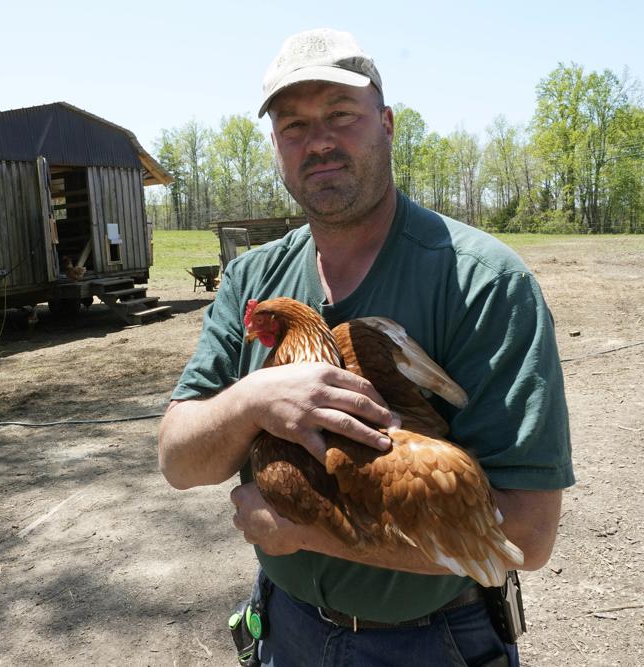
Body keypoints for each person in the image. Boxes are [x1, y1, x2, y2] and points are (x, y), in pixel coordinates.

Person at [157, 28, 573, 667]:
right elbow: (181, 463)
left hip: (434, 642)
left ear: (386, 124)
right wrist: (253, 400)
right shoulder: (253, 280)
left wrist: (305, 530)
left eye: (341, 116)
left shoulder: (484, 282)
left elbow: (527, 533)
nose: (318, 141)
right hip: (285, 628)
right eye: (293, 125)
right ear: (276, 146)